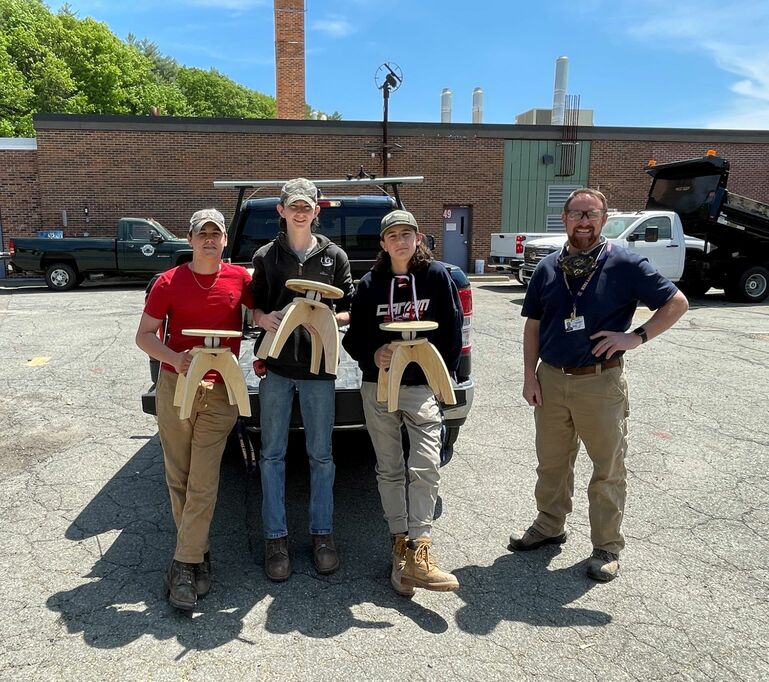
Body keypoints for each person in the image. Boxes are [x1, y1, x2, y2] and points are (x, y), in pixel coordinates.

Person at [509, 188, 689, 581]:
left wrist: (635, 337)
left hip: (599, 383)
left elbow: (676, 302)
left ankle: (607, 546)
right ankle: (549, 525)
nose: (584, 221)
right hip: (551, 381)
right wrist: (529, 376)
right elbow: (534, 325)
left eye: (591, 214)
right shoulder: (548, 268)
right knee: (552, 462)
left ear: (604, 218)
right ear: (565, 219)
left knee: (607, 467)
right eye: (576, 214)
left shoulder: (625, 262)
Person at [135, 208, 254, 610]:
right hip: (177, 386)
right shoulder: (169, 282)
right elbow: (144, 336)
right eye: (201, 233)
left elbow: (257, 313)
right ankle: (198, 556)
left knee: (203, 478)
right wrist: (175, 357)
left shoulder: (241, 278)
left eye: (215, 234)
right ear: (190, 240)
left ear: (224, 241)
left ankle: (183, 564)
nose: (208, 240)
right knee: (180, 477)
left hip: (221, 392)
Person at [342, 209, 463, 595]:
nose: (400, 241)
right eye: (392, 235)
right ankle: (400, 547)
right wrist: (373, 353)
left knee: (426, 463)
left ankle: (421, 546)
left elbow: (453, 331)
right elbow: (353, 337)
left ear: (418, 238)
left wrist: (437, 374)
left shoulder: (437, 276)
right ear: (383, 243)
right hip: (379, 386)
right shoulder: (369, 284)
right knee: (389, 467)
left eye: (407, 234)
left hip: (420, 387)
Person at [250, 178, 353, 582]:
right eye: (293, 205)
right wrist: (262, 318)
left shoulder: (335, 256)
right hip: (277, 369)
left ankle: (322, 535)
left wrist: (326, 320)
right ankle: (275, 539)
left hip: (319, 371)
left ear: (316, 210)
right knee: (272, 454)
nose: (300, 211)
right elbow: (254, 307)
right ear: (281, 210)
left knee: (321, 456)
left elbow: (349, 308)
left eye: (306, 205)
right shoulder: (265, 256)